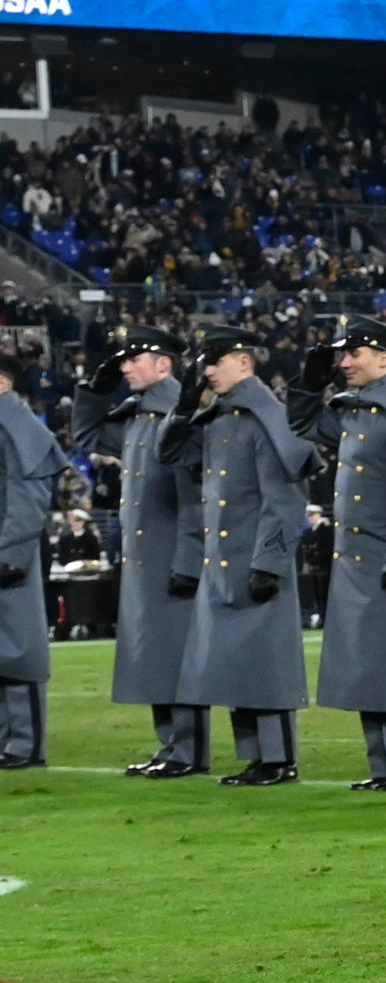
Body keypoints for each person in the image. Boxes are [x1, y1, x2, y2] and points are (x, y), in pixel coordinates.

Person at [289, 314, 386, 792]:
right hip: (357, 560)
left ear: (384, 358)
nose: (345, 363)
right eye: (342, 355)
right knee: (366, 664)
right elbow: (300, 424)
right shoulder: (359, 409)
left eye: (354, 354)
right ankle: (383, 766)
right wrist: (308, 383)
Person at [160, 326, 323, 787]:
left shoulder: (266, 417)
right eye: (203, 362)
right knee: (235, 667)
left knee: (266, 665)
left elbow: (285, 499)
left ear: (245, 363)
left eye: (216, 360)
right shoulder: (220, 417)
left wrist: (269, 562)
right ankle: (255, 758)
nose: (207, 370)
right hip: (223, 563)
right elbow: (169, 453)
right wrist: (185, 406)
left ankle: (279, 759)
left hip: (255, 563)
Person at [72, 325, 209, 777]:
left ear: (163, 365)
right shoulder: (139, 416)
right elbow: (88, 436)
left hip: (171, 558)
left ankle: (186, 751)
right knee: (154, 656)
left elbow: (193, 496)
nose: (125, 368)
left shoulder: (177, 415)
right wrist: (95, 389)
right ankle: (171, 748)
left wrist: (189, 560)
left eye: (132, 360)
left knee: (174, 657)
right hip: (146, 561)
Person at [0, 353, 67, 770]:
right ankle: (9, 740)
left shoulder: (17, 424)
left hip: (11, 554)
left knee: (19, 648)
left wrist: (10, 554)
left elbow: (30, 496)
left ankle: (26, 743)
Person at [299, 504, 334, 628]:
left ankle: (325, 618)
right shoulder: (309, 531)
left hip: (324, 566)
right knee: (316, 595)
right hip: (314, 566)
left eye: (312, 515)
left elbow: (327, 548)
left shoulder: (325, 529)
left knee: (325, 595)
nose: (310, 518)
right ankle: (319, 617)